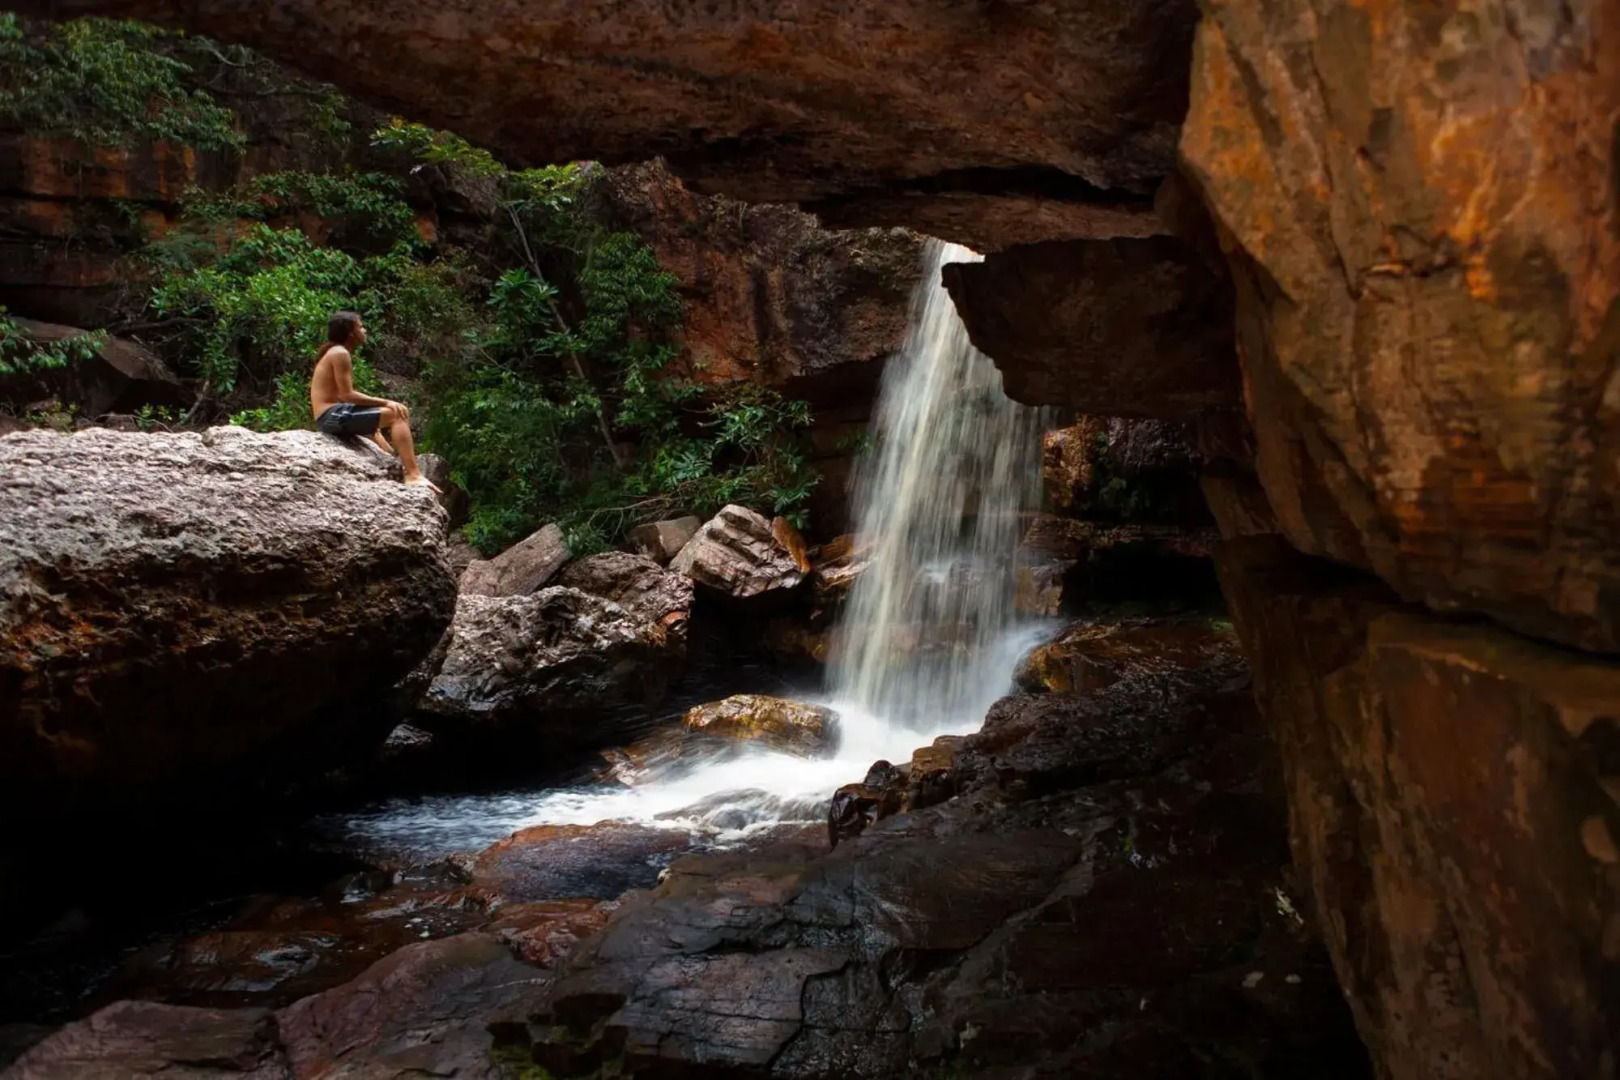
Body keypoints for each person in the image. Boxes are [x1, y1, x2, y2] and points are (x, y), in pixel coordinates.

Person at [309, 311, 435, 489]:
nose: (365, 330)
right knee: (397, 414)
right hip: (330, 416)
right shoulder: (340, 353)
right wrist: (385, 402)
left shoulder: (336, 352)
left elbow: (340, 396)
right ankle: (413, 474)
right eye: (360, 326)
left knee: (383, 421)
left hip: (331, 414)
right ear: (350, 333)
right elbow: (347, 395)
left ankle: (392, 455)